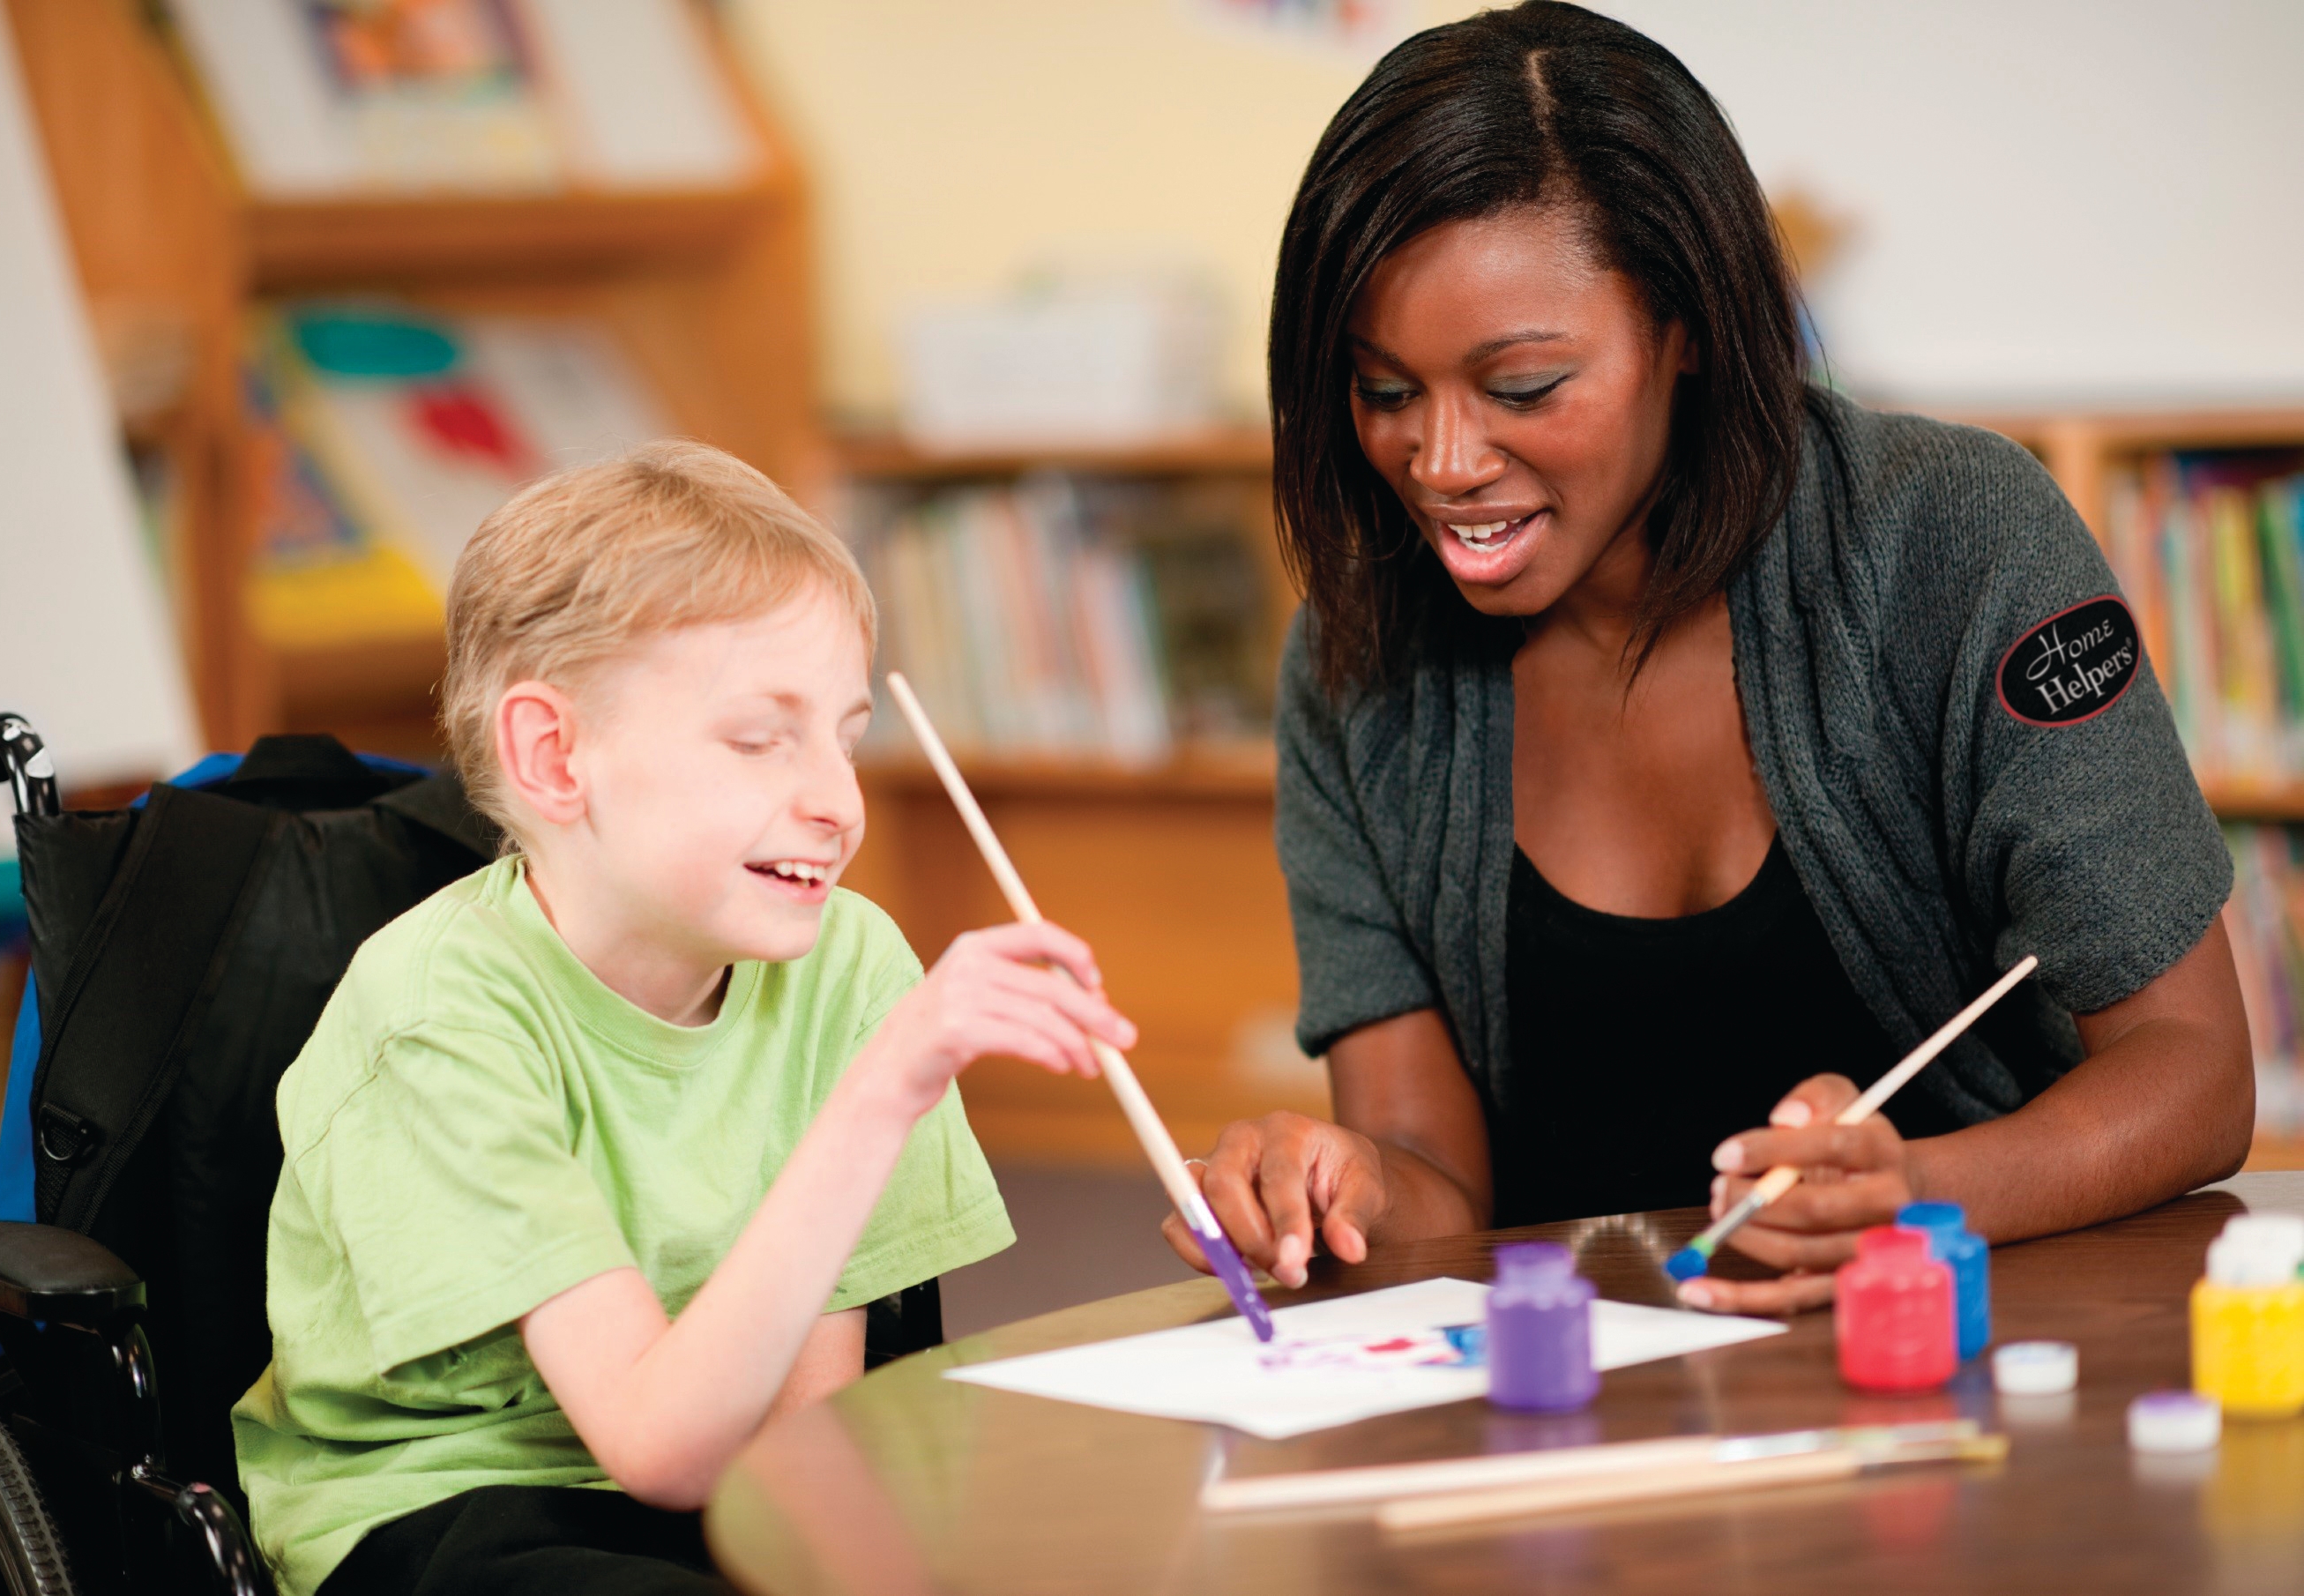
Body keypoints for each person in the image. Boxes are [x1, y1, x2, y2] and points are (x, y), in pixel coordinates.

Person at [1165, 2, 2253, 1316]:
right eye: (1384, 389)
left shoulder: (1954, 542)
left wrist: (1915, 1190)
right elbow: (1434, 1188)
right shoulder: (1356, 661)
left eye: (1521, 388)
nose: (1441, 462)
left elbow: (2193, 1072)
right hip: (1582, 1429)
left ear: (1686, 327)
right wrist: (1346, 1179)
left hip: (1963, 1367)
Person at [232, 442, 1136, 1595]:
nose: (839, 801)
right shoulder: (436, 1016)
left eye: (848, 737)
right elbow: (659, 1446)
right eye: (762, 739)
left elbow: (805, 1448)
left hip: (720, 1483)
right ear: (555, 756)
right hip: (450, 1507)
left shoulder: (850, 964)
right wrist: (884, 1087)